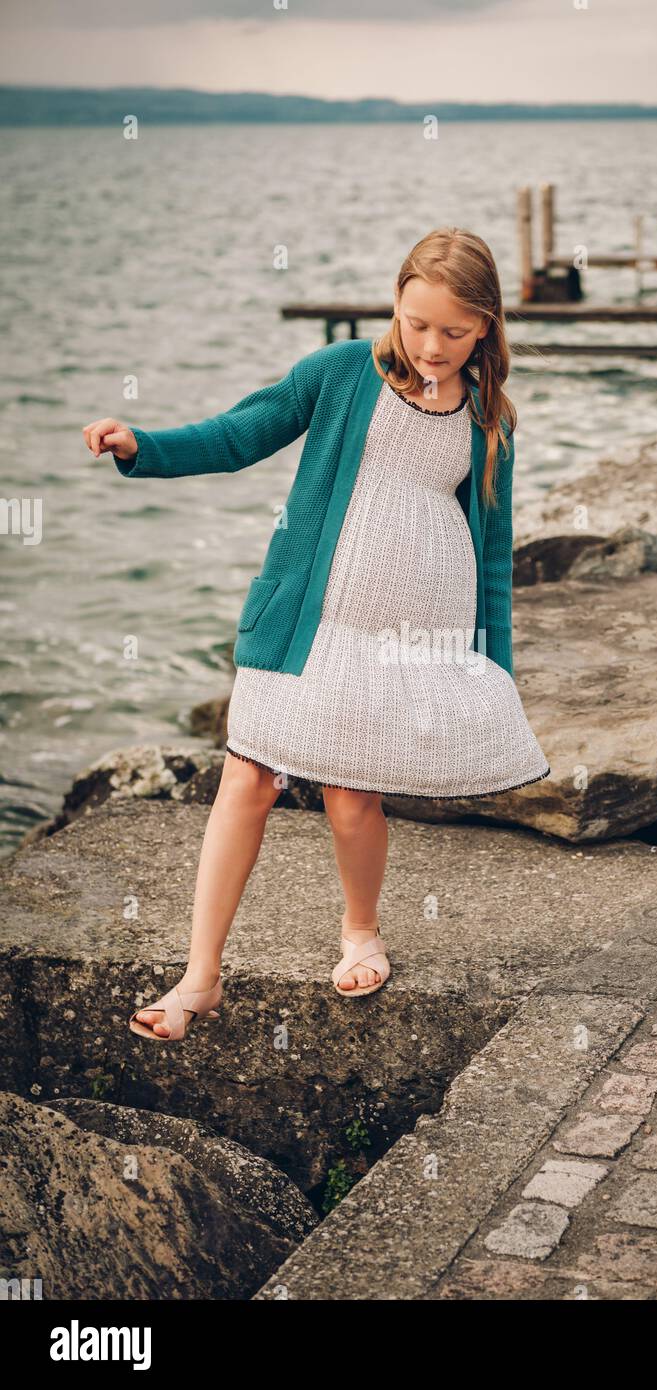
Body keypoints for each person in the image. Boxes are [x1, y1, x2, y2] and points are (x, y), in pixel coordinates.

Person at [81, 226, 550, 1038]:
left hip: (404, 640)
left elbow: (494, 556)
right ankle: (199, 977)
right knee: (247, 781)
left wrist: (491, 669)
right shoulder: (340, 374)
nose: (430, 345)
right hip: (305, 622)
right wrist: (142, 446)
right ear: (394, 306)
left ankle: (360, 931)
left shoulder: (487, 416)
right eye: (415, 323)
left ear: (486, 327)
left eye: (452, 330)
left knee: (351, 796)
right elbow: (240, 433)